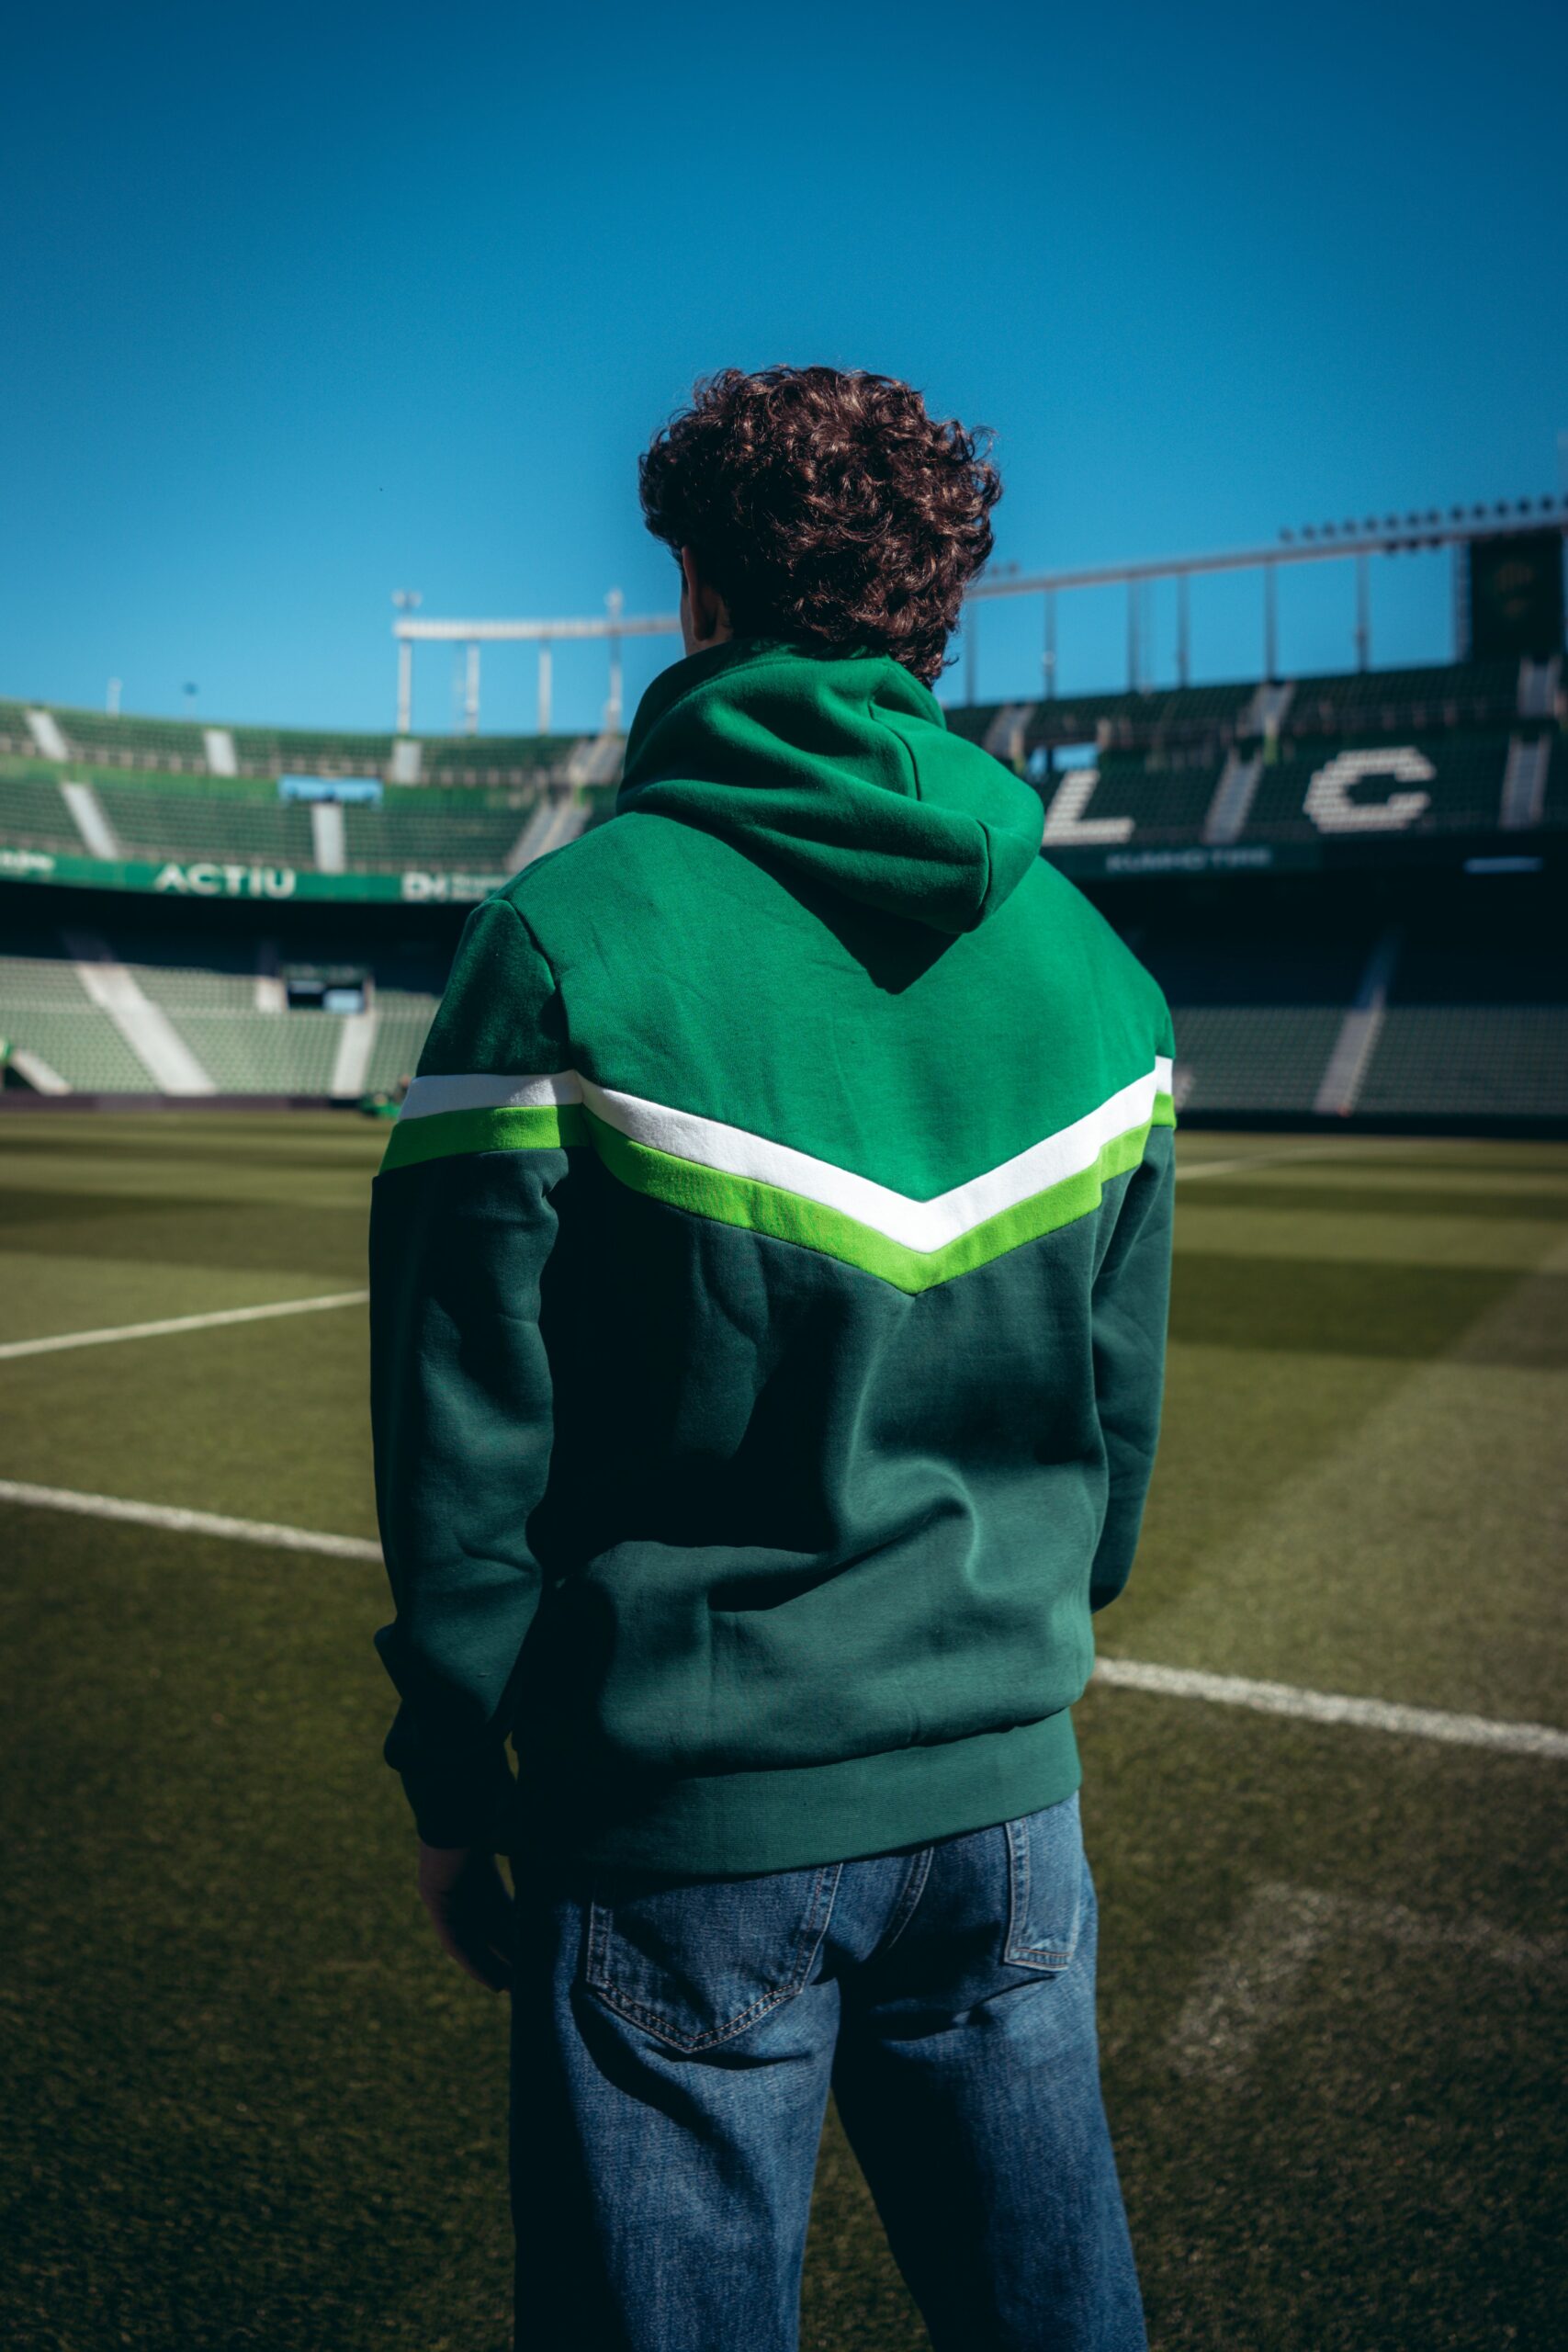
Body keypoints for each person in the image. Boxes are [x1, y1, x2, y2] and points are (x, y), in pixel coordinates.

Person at [368, 364, 1174, 2352]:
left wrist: (457, 1771)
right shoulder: (1102, 974)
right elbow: (1116, 1435)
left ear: (698, 589)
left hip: (681, 1813)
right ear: (936, 614)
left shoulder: (562, 937)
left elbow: (464, 1435)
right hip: (1007, 1802)